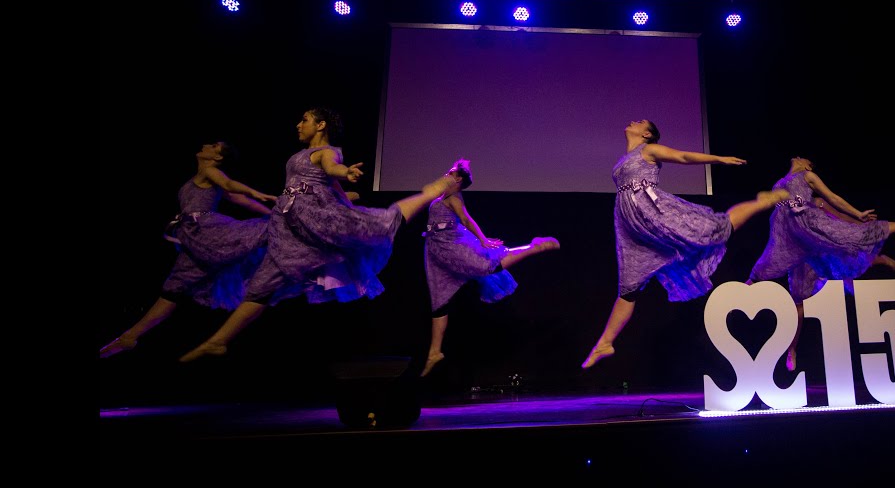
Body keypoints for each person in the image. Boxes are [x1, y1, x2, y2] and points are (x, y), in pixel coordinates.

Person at [178, 107, 463, 362]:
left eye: (305, 120)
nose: (298, 125)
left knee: (382, 221)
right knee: (262, 283)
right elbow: (331, 184)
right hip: (288, 226)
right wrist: (347, 199)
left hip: (318, 217)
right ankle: (218, 341)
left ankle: (434, 191)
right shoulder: (299, 155)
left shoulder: (329, 151)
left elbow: (332, 169)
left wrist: (345, 172)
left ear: (321, 125)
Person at [580, 119, 791, 369]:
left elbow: (682, 157)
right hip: (632, 227)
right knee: (629, 286)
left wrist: (719, 159)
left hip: (654, 213)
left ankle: (762, 203)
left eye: (640, 122)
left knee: (716, 228)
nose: (632, 121)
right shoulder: (624, 158)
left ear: (647, 134)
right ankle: (606, 342)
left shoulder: (648, 150)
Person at [745, 157, 895, 370]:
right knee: (791, 295)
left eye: (803, 157)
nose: (797, 156)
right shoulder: (780, 183)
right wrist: (776, 201)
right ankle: (789, 346)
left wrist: (857, 215)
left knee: (850, 241)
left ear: (807, 165)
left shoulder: (809, 179)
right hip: (791, 242)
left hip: (816, 238)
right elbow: (780, 204)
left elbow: (835, 202)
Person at [100, 141, 276, 358]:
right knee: (173, 289)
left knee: (252, 233)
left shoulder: (212, 171)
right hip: (193, 240)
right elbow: (238, 198)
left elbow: (234, 190)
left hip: (206, 231)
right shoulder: (204, 176)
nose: (205, 144)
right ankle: (130, 336)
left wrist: (263, 202)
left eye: (213, 145)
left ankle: (296, 228)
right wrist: (268, 213)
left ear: (217, 157)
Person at [419, 158, 561, 377]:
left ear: (457, 180)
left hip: (451, 245)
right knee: (439, 301)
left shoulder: (453, 197)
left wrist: (483, 240)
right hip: (435, 251)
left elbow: (466, 220)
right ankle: (434, 352)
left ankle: (533, 247)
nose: (445, 175)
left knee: (487, 264)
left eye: (450, 173)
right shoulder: (441, 196)